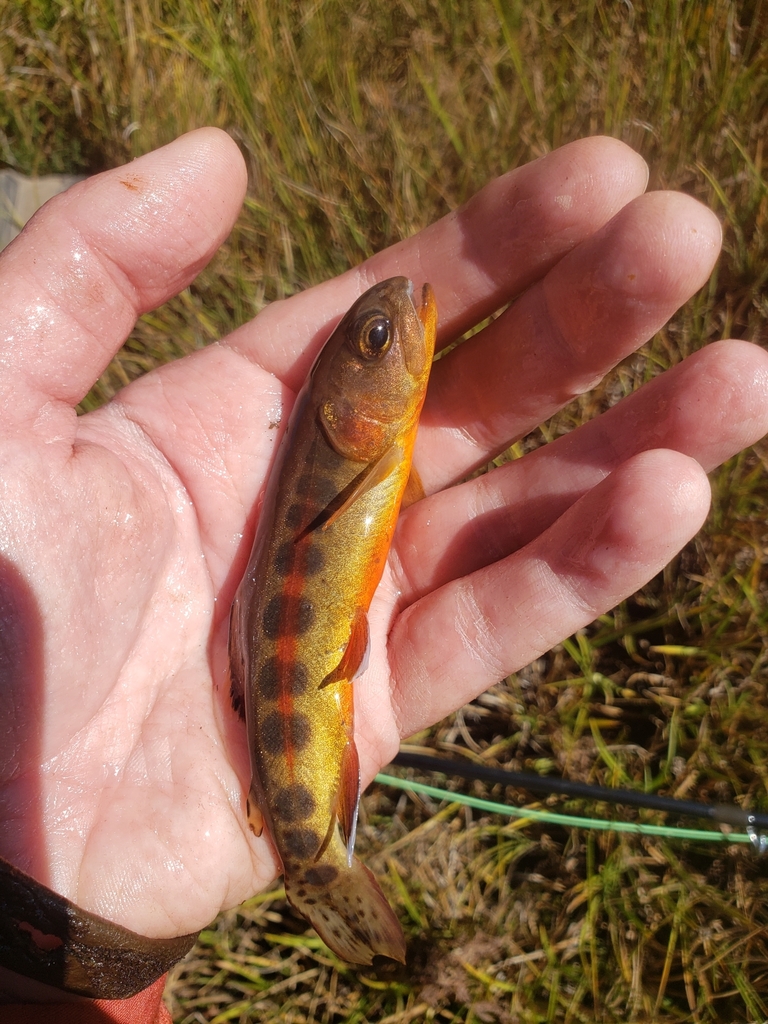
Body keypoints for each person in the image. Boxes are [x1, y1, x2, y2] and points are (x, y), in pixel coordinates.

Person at [0, 128, 765, 1021]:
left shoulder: (358, 442)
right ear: (340, 411)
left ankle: (311, 860)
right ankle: (317, 861)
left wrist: (40, 947)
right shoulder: (348, 446)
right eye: (376, 340)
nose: (398, 320)